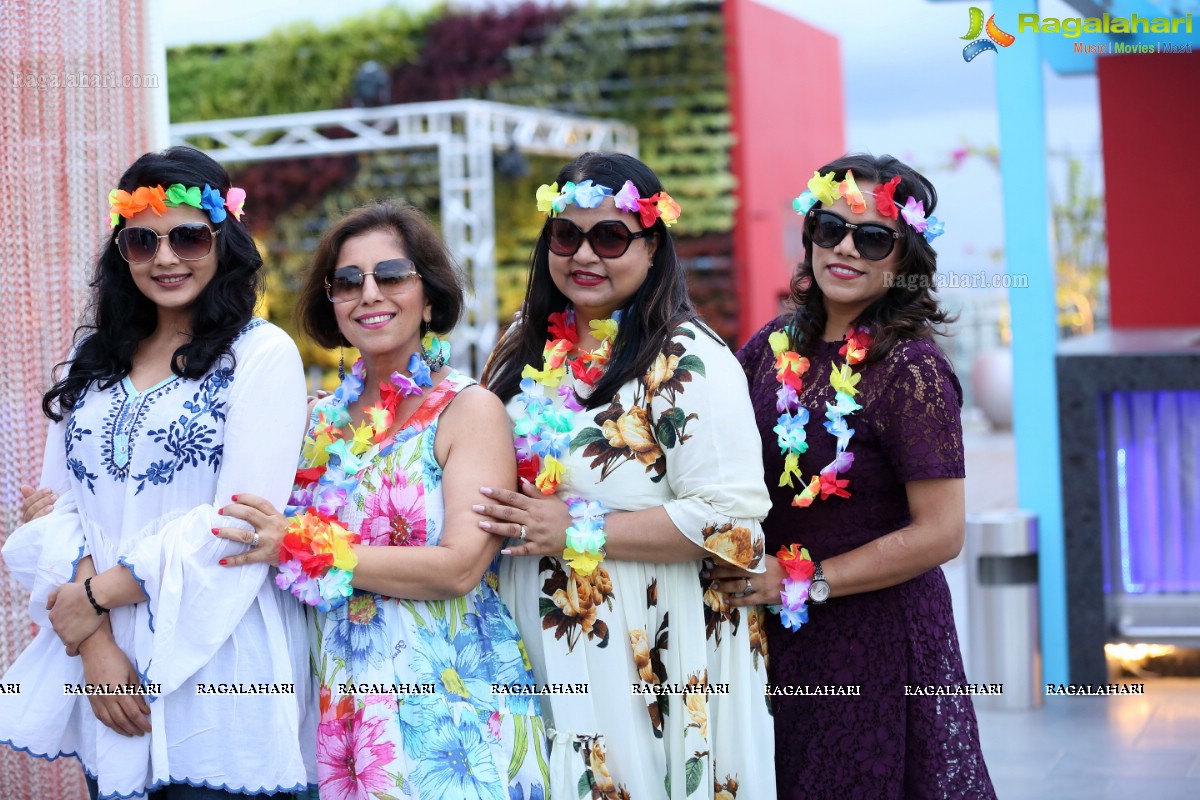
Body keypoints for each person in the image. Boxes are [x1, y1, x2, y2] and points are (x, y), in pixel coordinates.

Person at [0, 147, 316, 799]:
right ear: (123, 251)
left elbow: (239, 528)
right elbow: (51, 513)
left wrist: (90, 599)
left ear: (222, 238)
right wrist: (93, 644)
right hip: (107, 677)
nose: (166, 257)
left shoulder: (260, 355)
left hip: (221, 666)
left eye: (187, 237)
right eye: (142, 241)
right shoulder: (90, 357)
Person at [211, 201, 551, 799]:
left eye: (390, 275)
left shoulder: (467, 410)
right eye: (348, 281)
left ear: (428, 293)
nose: (369, 294)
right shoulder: (312, 420)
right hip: (337, 703)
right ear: (331, 302)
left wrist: (303, 547)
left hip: (452, 702)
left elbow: (460, 567)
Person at [477, 152, 776, 799]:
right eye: (566, 234)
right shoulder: (522, 343)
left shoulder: (688, 358)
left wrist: (579, 528)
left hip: (650, 652)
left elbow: (733, 525)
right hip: (530, 640)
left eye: (609, 236)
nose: (584, 254)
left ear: (652, 245)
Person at [712, 153, 996, 798]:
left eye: (872, 237)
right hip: (773, 631)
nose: (845, 248)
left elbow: (941, 534)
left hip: (875, 639)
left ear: (905, 259)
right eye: (829, 228)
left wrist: (802, 582)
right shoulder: (769, 346)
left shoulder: (912, 370)